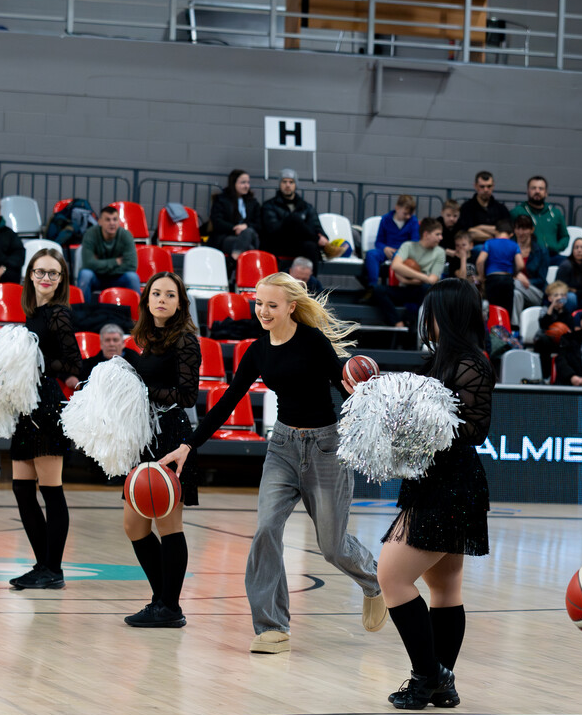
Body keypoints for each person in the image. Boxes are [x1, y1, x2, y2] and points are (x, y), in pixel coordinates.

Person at [161, 273, 385, 653]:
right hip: (282, 448)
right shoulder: (258, 350)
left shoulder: (313, 342)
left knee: (332, 547)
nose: (263, 311)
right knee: (266, 529)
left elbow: (344, 389)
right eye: (259, 304)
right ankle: (272, 627)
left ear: (291, 307)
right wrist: (189, 445)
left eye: (272, 305)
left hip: (325, 449)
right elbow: (229, 400)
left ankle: (374, 582)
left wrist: (367, 401)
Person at [378, 278, 494, 709]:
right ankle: (441, 684)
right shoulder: (437, 362)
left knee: (391, 577)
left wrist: (420, 423)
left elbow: (475, 430)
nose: (424, 319)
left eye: (431, 312)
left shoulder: (471, 364)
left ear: (448, 315)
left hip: (451, 484)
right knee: (444, 587)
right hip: (432, 480)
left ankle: (427, 675)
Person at [120, 272, 201, 629]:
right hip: (145, 435)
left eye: (170, 295)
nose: (162, 300)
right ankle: (162, 600)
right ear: (147, 299)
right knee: (133, 525)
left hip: (171, 437)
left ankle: (169, 605)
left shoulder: (185, 341)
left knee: (169, 525)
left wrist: (139, 388)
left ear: (180, 303)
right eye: (156, 293)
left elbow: (188, 396)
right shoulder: (144, 339)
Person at [8, 248, 83, 591]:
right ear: (31, 275)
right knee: (22, 489)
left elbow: (73, 364)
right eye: (41, 272)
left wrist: (36, 360)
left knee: (51, 490)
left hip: (47, 407)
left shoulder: (59, 314)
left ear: (62, 279)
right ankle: (43, 565)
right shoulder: (34, 313)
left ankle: (53, 568)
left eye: (54, 273)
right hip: (27, 405)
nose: (46, 278)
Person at [374, 217, 446, 335]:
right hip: (405, 289)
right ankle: (397, 322)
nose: (441, 238)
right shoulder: (408, 246)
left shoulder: (440, 252)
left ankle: (413, 324)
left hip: (421, 291)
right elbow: (395, 265)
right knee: (378, 290)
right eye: (437, 234)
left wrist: (406, 278)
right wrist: (422, 278)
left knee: (427, 289)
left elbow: (433, 280)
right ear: (426, 234)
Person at [261, 169, 328, 271]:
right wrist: (316, 238)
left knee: (311, 246)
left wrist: (323, 237)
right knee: (294, 219)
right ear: (279, 184)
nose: (287, 185)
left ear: (296, 185)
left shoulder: (306, 207)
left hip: (299, 245)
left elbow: (316, 227)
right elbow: (272, 229)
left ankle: (311, 280)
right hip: (278, 243)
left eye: (291, 182)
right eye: (284, 182)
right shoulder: (269, 206)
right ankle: (316, 239)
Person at [78, 205, 141, 303]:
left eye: (115, 219)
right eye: (107, 220)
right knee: (85, 275)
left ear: (119, 221)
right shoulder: (90, 234)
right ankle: (82, 311)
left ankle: (138, 311)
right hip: (97, 277)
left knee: (133, 277)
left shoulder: (126, 235)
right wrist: (116, 262)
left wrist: (98, 263)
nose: (112, 223)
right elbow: (88, 263)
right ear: (100, 222)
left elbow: (131, 265)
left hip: (118, 278)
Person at [510, 176, 569, 263]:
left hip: (552, 256)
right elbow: (510, 236)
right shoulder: (517, 212)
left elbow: (565, 236)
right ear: (527, 191)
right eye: (533, 188)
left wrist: (557, 247)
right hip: (529, 256)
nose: (537, 191)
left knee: (572, 264)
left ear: (546, 193)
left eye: (541, 188)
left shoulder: (555, 213)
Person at [364, 195, 419, 289]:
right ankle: (372, 287)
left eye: (410, 214)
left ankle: (397, 288)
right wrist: (385, 248)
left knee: (398, 255)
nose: (408, 216)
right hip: (387, 250)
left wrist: (402, 251)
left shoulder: (413, 221)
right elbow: (378, 242)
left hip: (403, 252)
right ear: (397, 208)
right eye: (405, 213)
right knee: (371, 254)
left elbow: (415, 242)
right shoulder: (385, 219)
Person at [208, 170, 262, 262]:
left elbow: (259, 224)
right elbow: (217, 221)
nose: (246, 186)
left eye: (248, 182)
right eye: (243, 182)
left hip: (250, 236)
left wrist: (245, 226)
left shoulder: (253, 202)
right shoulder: (221, 200)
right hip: (227, 237)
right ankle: (238, 261)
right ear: (233, 183)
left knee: (248, 231)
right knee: (249, 247)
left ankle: (233, 260)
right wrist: (234, 228)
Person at [476, 219, 520, 315]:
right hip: (507, 278)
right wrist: (515, 274)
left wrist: (481, 276)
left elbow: (480, 261)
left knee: (493, 310)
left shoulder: (489, 243)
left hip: (492, 278)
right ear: (511, 234)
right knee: (506, 311)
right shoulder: (514, 245)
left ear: (496, 231)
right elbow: (520, 264)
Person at [511, 214, 548, 324]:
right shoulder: (510, 248)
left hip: (535, 292)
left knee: (514, 283)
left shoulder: (541, 251)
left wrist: (525, 281)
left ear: (532, 230)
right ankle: (516, 328)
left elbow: (541, 279)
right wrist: (516, 276)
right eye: (518, 228)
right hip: (516, 289)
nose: (520, 232)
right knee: (515, 294)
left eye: (524, 229)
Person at [457, 171, 511, 244]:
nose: (486, 190)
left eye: (489, 186)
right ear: (475, 186)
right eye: (482, 186)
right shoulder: (466, 208)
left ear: (493, 186)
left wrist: (480, 227)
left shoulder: (501, 209)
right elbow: (468, 233)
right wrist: (495, 236)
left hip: (497, 247)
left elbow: (506, 232)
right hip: (475, 247)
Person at [438, 198, 463, 263]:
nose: (451, 218)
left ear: (459, 215)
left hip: (456, 256)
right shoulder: (436, 224)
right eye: (448, 215)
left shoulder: (460, 226)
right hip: (439, 254)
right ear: (442, 213)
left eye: (455, 216)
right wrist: (446, 251)